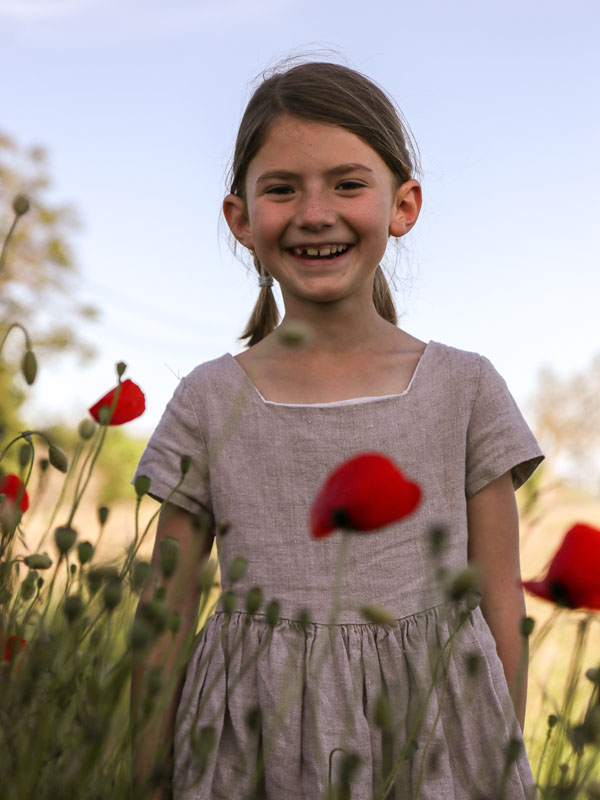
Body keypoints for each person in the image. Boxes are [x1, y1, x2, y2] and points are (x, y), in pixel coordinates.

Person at [131, 59, 544, 800]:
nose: (315, 212)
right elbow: (165, 613)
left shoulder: (465, 387)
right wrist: (147, 781)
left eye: (348, 184)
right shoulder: (208, 400)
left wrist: (496, 768)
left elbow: (500, 603)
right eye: (282, 188)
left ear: (403, 204)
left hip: (431, 747)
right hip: (254, 748)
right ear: (241, 218)